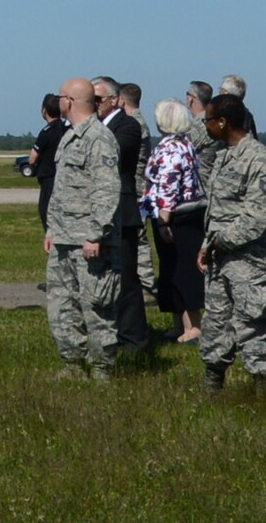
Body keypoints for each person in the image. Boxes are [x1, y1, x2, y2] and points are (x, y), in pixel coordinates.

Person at [198, 94, 266, 390]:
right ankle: (213, 384)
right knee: (216, 325)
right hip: (220, 258)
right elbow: (217, 210)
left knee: (251, 326)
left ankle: (262, 388)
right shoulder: (223, 157)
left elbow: (255, 218)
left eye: (207, 120)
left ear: (222, 121)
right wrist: (207, 246)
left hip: (251, 261)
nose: (204, 126)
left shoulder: (259, 159)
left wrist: (220, 243)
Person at [44, 78, 123, 379]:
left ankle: (102, 369)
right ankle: (73, 364)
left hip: (90, 242)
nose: (57, 102)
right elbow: (61, 189)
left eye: (59, 97)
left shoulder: (99, 138)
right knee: (63, 307)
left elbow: (106, 190)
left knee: (97, 309)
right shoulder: (69, 137)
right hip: (65, 238)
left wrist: (95, 234)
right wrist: (52, 229)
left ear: (70, 101)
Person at [95, 77, 155, 355]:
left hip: (123, 209)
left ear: (115, 100)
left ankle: (135, 340)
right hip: (101, 211)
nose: (94, 105)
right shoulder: (96, 127)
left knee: (127, 280)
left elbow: (111, 156)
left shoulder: (128, 126)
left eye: (98, 100)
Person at [142, 98, 205, 343]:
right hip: (187, 213)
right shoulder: (185, 144)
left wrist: (163, 222)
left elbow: (168, 186)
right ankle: (179, 324)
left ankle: (193, 326)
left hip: (176, 217)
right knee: (172, 269)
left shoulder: (168, 149)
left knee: (182, 270)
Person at [120, 82, 157, 295]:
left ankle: (145, 282)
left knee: (139, 238)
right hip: (138, 185)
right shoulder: (140, 121)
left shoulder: (134, 123)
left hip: (137, 186)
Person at [27, 93, 69, 230]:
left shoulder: (46, 132)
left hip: (49, 180)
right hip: (65, 179)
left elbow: (32, 158)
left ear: (44, 111)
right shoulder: (67, 129)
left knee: (47, 216)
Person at [185, 81, 221, 186]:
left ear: (191, 98)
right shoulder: (212, 121)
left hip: (201, 186)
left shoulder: (201, 125)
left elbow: (180, 150)